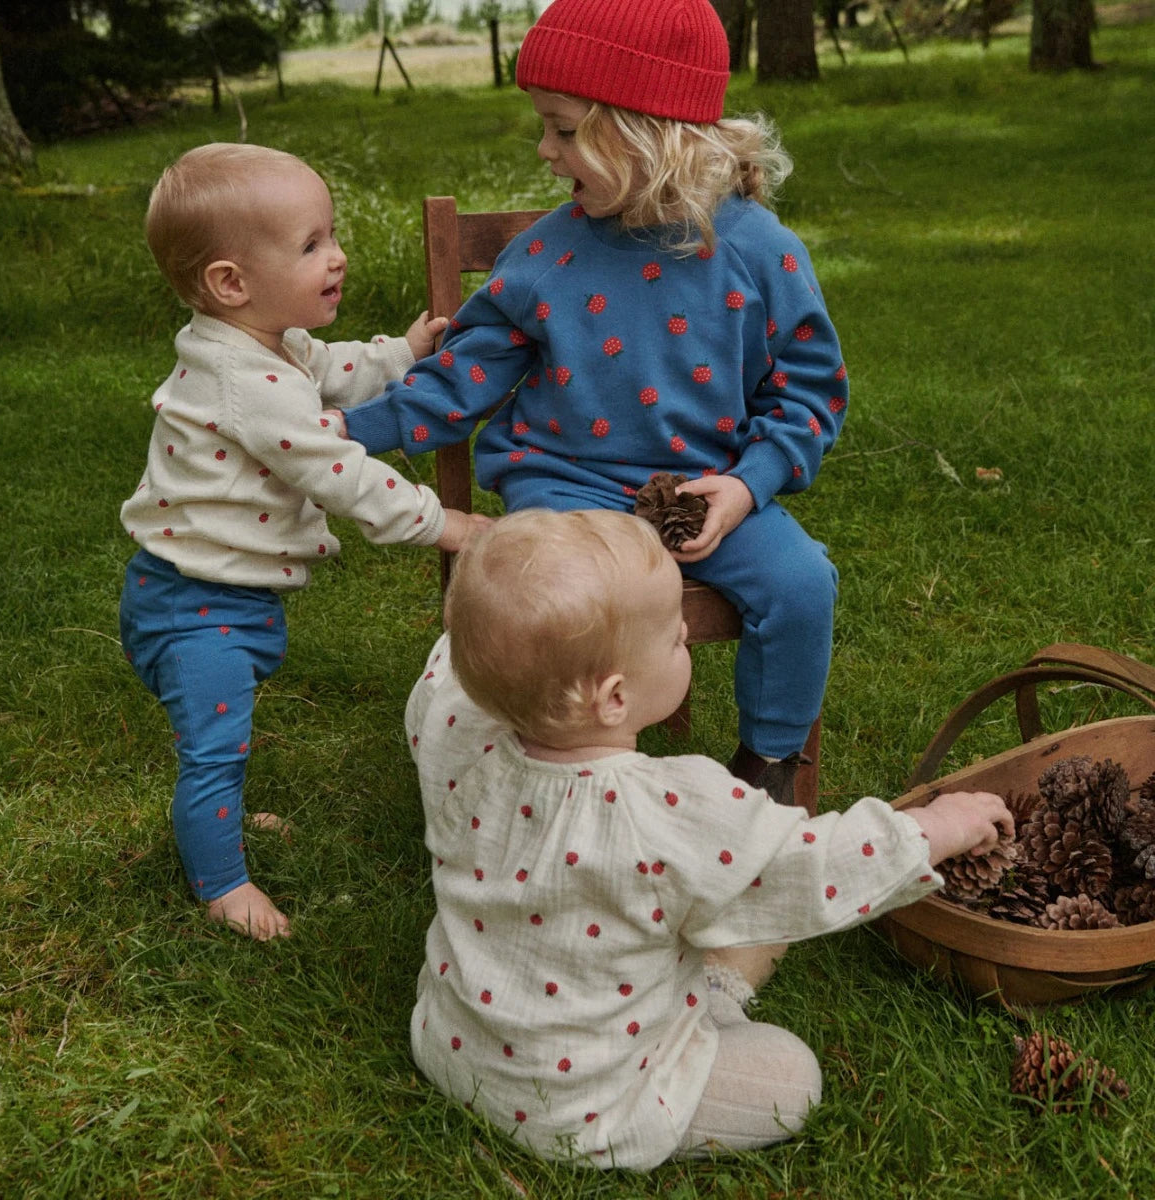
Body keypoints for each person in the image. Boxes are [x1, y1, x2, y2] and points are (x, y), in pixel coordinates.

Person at [342, 0, 846, 807]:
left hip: (705, 496)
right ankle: (550, 774)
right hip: (568, 493)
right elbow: (459, 379)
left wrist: (746, 487)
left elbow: (808, 394)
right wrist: (335, 432)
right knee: (559, 604)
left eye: (565, 130)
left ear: (652, 133)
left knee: (801, 585)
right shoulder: (544, 255)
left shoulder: (760, 252)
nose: (545, 151)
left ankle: (768, 774)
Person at [406, 508, 1013, 1169]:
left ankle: (680, 1012)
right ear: (613, 698)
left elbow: (451, 663)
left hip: (454, 1049)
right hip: (588, 1104)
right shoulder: (669, 811)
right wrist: (937, 828)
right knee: (792, 1075)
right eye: (674, 639)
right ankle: (714, 1008)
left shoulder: (457, 725)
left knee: (715, 915)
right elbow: (812, 868)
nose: (688, 635)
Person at [119, 143, 487, 941]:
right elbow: (340, 473)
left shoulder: (267, 343)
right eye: (312, 245)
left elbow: (332, 367)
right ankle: (222, 884)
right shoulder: (243, 384)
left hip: (217, 593)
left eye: (332, 235)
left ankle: (223, 820)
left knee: (224, 730)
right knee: (213, 746)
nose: (338, 256)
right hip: (193, 606)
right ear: (231, 282)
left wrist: (402, 353)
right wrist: (448, 523)